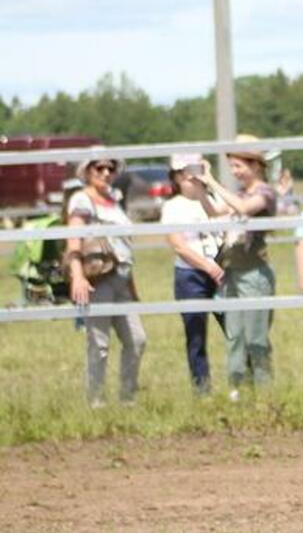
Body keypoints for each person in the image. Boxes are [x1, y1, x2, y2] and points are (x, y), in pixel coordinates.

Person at [198, 136, 278, 396]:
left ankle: (263, 391)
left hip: (254, 274)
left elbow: (243, 208)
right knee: (235, 335)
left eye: (238, 166)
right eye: (232, 166)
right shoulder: (240, 193)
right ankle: (238, 389)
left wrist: (212, 181)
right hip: (233, 274)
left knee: (255, 337)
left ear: (255, 165)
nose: (234, 172)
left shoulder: (264, 192)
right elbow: (214, 211)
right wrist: (200, 188)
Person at [64, 157, 147, 406]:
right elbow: (74, 240)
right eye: (99, 167)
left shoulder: (115, 199)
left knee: (137, 340)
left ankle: (127, 399)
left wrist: (132, 287)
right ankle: (96, 401)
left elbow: (123, 247)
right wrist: (77, 276)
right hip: (98, 279)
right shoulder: (82, 199)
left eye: (111, 168)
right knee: (99, 344)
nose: (106, 172)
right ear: (87, 171)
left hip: (122, 277)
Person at [161, 153, 226, 394]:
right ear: (175, 177)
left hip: (222, 272)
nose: (189, 176)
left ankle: (242, 382)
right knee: (196, 336)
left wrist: (208, 179)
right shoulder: (172, 206)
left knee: (235, 329)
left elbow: (226, 213)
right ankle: (202, 389)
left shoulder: (213, 197)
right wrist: (206, 266)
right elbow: (178, 245)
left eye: (194, 169)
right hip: (191, 276)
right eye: (183, 172)